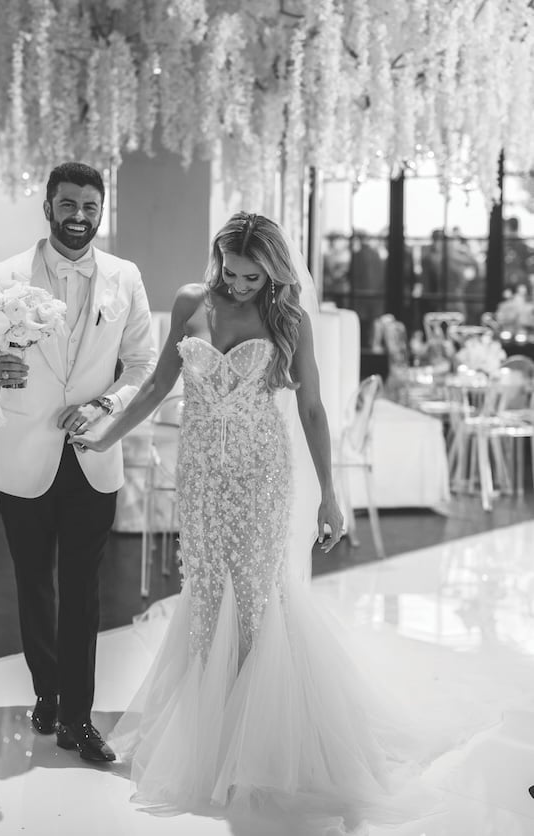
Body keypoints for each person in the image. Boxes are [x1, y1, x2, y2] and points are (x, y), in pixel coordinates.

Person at [71, 213, 441, 827]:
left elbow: (315, 408)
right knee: (207, 592)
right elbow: (159, 383)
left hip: (260, 471)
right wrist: (109, 436)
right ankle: (209, 737)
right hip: (201, 473)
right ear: (217, 258)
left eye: (252, 275)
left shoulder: (288, 318)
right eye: (231, 271)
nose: (239, 285)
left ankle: (258, 744)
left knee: (255, 598)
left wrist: (330, 494)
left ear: (273, 270)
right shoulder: (192, 299)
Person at [0, 162, 155, 762]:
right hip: (22, 455)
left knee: (83, 589)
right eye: (68, 205)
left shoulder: (124, 276)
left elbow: (143, 365)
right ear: (48, 207)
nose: (79, 216)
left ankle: (78, 719)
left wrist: (104, 404)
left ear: (100, 209)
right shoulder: (2, 277)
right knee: (34, 584)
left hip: (93, 451)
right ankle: (48, 692)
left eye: (90, 206)